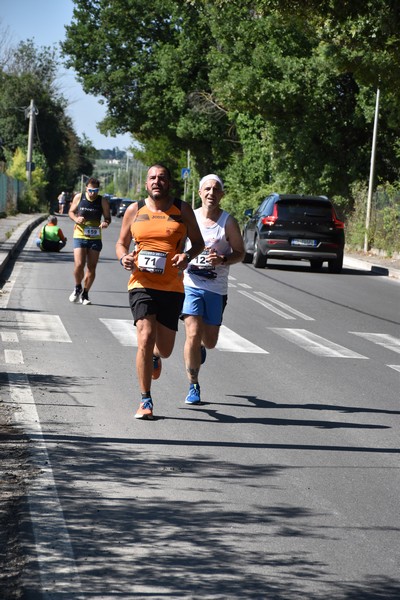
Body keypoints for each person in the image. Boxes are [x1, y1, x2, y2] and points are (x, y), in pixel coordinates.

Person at [116, 164, 204, 420]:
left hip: (172, 287)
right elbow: (121, 244)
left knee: (164, 349)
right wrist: (124, 259)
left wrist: (186, 257)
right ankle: (145, 400)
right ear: (146, 184)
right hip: (141, 284)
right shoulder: (135, 210)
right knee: (144, 337)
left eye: (162, 178)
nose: (157, 181)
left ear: (169, 183)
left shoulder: (182, 209)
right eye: (152, 178)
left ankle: (155, 356)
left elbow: (198, 243)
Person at [181, 174, 245, 405]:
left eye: (216, 190)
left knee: (210, 341)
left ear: (222, 194)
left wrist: (224, 259)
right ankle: (193, 385)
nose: (211, 193)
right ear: (200, 193)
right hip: (191, 284)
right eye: (207, 189)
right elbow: (177, 243)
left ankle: (200, 348)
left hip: (216, 288)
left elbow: (240, 252)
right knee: (192, 332)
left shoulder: (228, 222)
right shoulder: (190, 218)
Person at [68, 178, 111, 305]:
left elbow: (108, 218)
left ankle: (85, 294)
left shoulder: (102, 201)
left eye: (95, 190)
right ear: (86, 188)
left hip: (95, 237)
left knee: (91, 267)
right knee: (79, 265)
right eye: (90, 190)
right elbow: (70, 212)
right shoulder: (79, 197)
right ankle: (77, 287)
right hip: (80, 234)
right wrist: (76, 219)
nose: (93, 193)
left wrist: (105, 223)